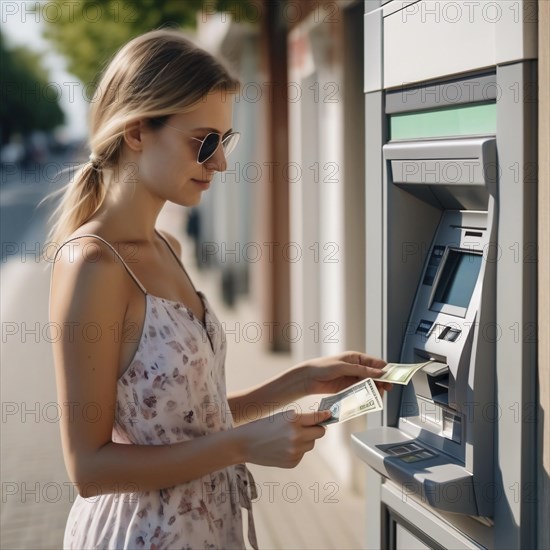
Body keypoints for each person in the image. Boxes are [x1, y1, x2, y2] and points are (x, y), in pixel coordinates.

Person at [48, 29, 391, 549]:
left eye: (224, 142)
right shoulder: (93, 263)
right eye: (205, 142)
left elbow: (185, 419)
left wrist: (300, 380)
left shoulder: (167, 247)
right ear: (138, 131)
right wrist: (242, 446)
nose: (221, 163)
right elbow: (90, 469)